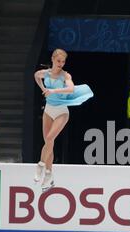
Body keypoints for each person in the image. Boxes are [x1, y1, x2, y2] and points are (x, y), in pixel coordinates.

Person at [34, 48, 93, 192]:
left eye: (63, 61)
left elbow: (71, 89)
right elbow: (36, 75)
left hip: (61, 112)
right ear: (53, 59)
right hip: (49, 110)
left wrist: (52, 91)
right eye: (59, 61)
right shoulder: (45, 73)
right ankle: (49, 175)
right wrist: (42, 88)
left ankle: (40, 165)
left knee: (49, 138)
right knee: (49, 143)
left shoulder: (65, 75)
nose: (61, 64)